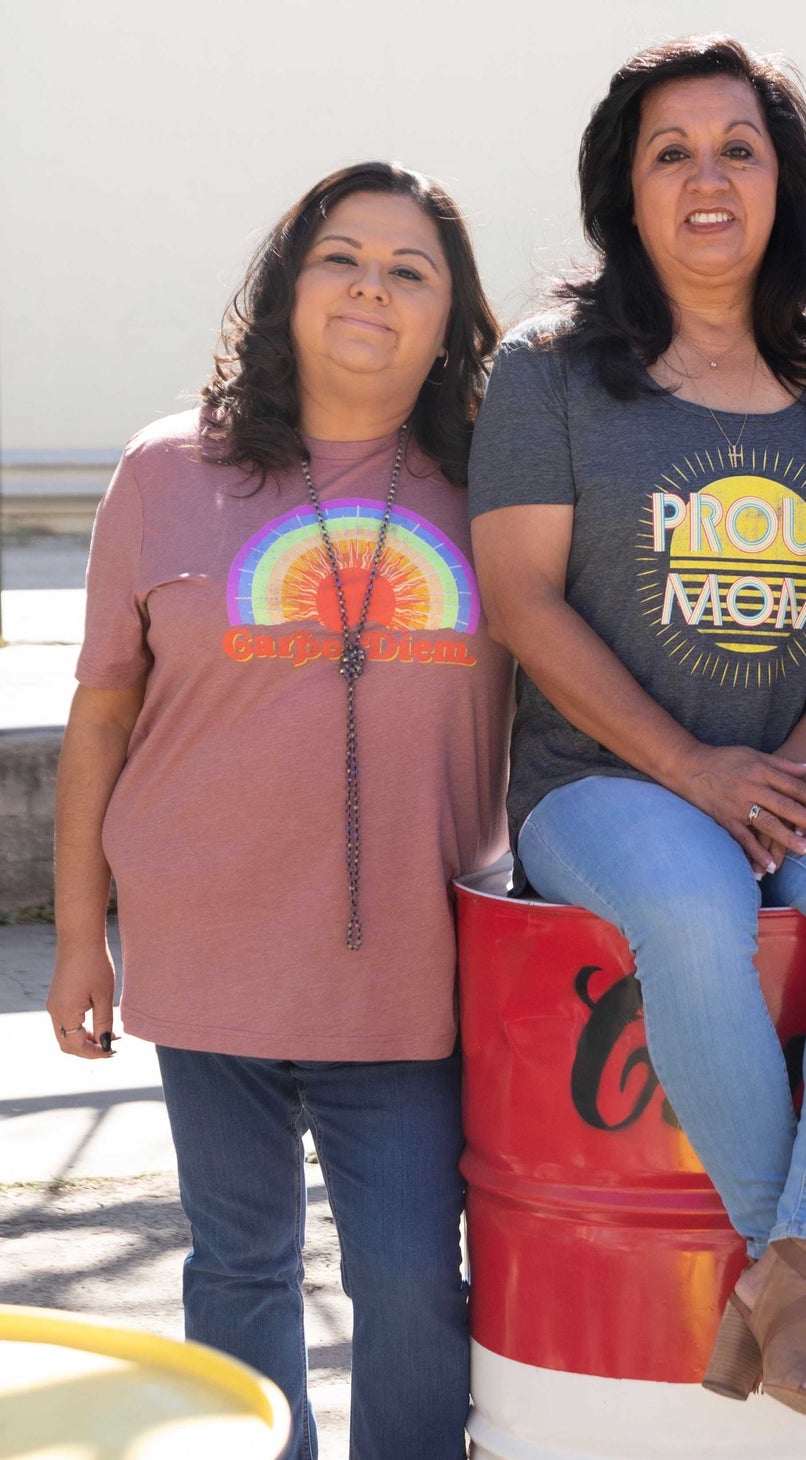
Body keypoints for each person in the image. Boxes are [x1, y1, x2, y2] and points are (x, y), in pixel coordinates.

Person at [467, 34, 806, 1423]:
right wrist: (697, 771)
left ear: (785, 181)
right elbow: (520, 598)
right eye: (671, 152)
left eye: (740, 147)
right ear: (627, 190)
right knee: (689, 904)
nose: (708, 177)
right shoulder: (549, 371)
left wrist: (799, 761)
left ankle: (790, 1272)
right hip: (604, 780)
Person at [48, 162, 510, 1460]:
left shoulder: (501, 490)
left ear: (448, 321)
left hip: (413, 978)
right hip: (210, 958)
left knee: (416, 1287)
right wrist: (82, 936)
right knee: (238, 1271)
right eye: (340, 256)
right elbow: (100, 718)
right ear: (286, 287)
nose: (372, 285)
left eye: (410, 269)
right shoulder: (162, 471)